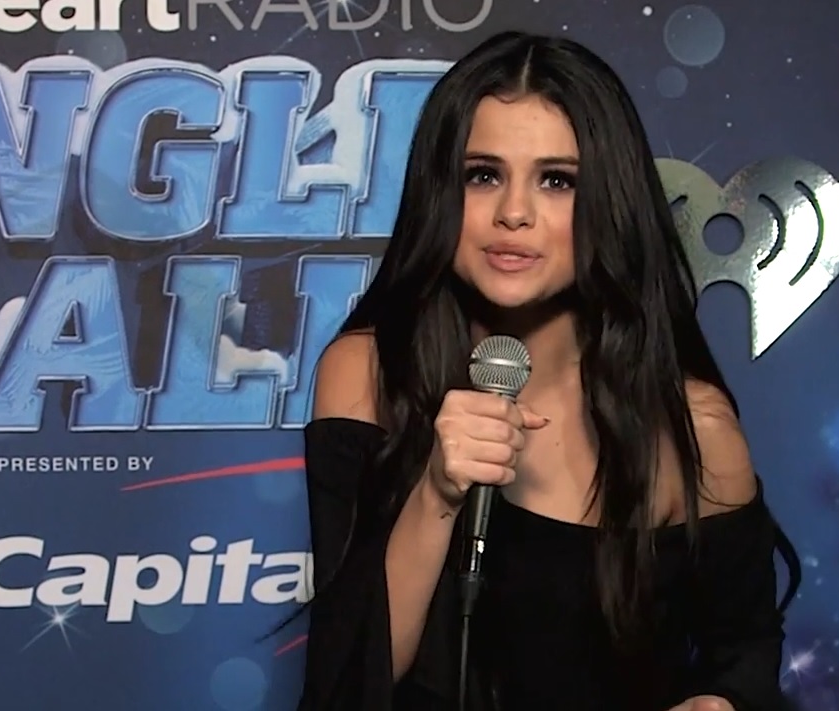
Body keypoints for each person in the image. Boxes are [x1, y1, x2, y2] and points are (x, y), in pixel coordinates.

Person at [298, 30, 802, 711]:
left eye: (557, 180)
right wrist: (437, 493)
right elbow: (345, 684)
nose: (514, 213)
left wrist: (720, 701)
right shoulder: (367, 373)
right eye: (483, 175)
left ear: (609, 201)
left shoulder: (692, 427)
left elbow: (744, 652)